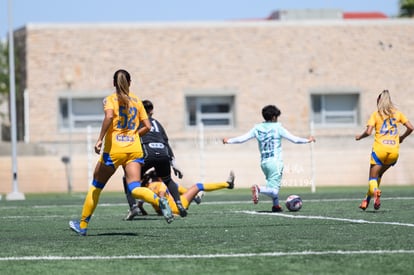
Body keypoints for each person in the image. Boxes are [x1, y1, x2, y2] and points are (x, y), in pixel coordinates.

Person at [69, 69, 174, 236]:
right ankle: (158, 199)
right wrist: (133, 135)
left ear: (113, 83)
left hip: (114, 150)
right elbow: (147, 126)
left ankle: (82, 226)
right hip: (134, 149)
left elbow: (109, 117)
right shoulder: (137, 101)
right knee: (134, 187)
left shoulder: (110, 99)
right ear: (130, 83)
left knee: (96, 187)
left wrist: (99, 139)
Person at [223, 105, 315, 212]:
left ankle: (276, 206)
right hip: (275, 162)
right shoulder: (278, 128)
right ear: (274, 117)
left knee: (272, 186)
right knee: (274, 190)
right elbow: (294, 139)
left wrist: (229, 140)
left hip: (264, 163)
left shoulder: (257, 128)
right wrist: (308, 140)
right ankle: (258, 189)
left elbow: (242, 138)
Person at [122, 99, 188, 220]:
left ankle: (133, 207)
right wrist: (173, 162)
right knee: (168, 180)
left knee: (128, 179)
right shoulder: (157, 123)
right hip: (163, 153)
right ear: (151, 112)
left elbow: (130, 139)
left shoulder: (136, 121)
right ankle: (178, 203)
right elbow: (166, 142)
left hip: (147, 152)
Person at [356, 90, 413, 210]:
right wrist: (401, 138)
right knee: (379, 174)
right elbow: (411, 128)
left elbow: (368, 132)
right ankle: (366, 200)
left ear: (379, 102)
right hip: (393, 151)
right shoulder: (398, 114)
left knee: (372, 179)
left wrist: (359, 137)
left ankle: (375, 192)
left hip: (379, 150)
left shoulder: (376, 115)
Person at [134, 169, 235, 217]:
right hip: (177, 207)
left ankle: (195, 197)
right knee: (198, 186)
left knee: (179, 190)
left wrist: (145, 213)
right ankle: (228, 184)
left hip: (168, 209)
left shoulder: (145, 188)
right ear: (160, 177)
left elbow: (140, 205)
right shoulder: (161, 184)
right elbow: (163, 194)